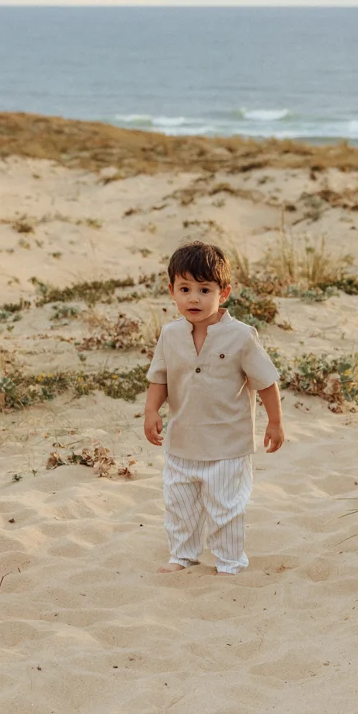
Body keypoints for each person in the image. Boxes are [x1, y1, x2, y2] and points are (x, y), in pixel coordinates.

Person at [144, 242, 285, 575]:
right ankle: (183, 555)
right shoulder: (170, 334)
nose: (194, 298)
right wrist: (151, 412)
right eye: (185, 289)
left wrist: (275, 422)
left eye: (204, 289)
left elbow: (266, 382)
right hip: (182, 443)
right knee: (180, 506)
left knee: (226, 508)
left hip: (228, 445)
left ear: (224, 293)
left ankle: (229, 561)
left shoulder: (241, 336)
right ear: (172, 292)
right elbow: (159, 378)